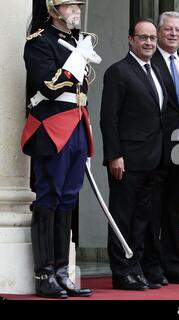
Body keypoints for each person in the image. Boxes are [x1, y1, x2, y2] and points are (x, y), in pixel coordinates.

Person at [20, 0, 100, 298]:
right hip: (52, 125)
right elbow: (48, 85)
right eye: (70, 6)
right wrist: (77, 58)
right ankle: (45, 275)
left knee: (68, 198)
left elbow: (83, 90)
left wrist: (79, 53)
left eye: (78, 5)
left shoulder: (74, 42)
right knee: (49, 195)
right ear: (54, 10)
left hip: (77, 123)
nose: (77, 11)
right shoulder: (39, 42)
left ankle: (62, 273)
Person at [100, 17, 167, 291]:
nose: (149, 42)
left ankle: (136, 268)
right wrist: (114, 155)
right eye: (143, 37)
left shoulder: (156, 71)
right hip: (126, 160)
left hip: (152, 158)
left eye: (152, 38)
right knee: (123, 216)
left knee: (142, 219)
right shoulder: (118, 71)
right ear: (131, 39)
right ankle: (122, 272)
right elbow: (109, 118)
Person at [140, 11, 179, 286]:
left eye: (178, 30)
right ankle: (151, 266)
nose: (174, 34)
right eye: (168, 30)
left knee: (174, 208)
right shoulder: (148, 61)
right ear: (159, 31)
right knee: (153, 209)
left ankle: (173, 266)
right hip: (155, 147)